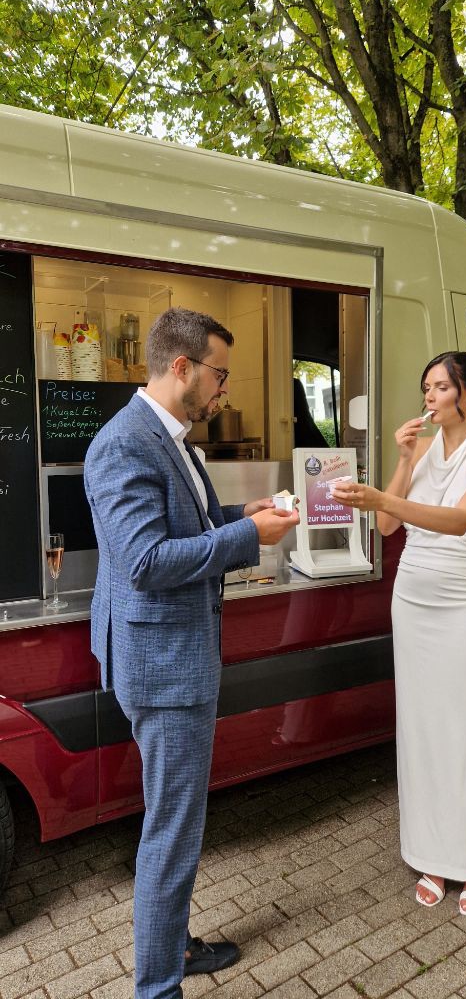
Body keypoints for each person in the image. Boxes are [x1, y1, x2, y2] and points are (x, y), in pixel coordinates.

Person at [84, 306, 299, 999]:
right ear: (181, 366)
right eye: (220, 374)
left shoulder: (168, 436)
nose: (224, 389)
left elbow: (191, 527)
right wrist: (250, 539)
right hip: (163, 668)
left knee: (172, 822)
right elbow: (146, 561)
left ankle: (172, 946)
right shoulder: (125, 444)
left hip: (171, 657)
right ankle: (158, 987)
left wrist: (245, 516)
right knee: (172, 832)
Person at [330, 351, 466, 917]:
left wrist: (381, 498)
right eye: (426, 387)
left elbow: (460, 521)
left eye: (440, 386)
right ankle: (433, 854)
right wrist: (405, 458)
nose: (429, 396)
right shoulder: (423, 448)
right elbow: (388, 524)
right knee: (425, 729)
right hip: (413, 600)